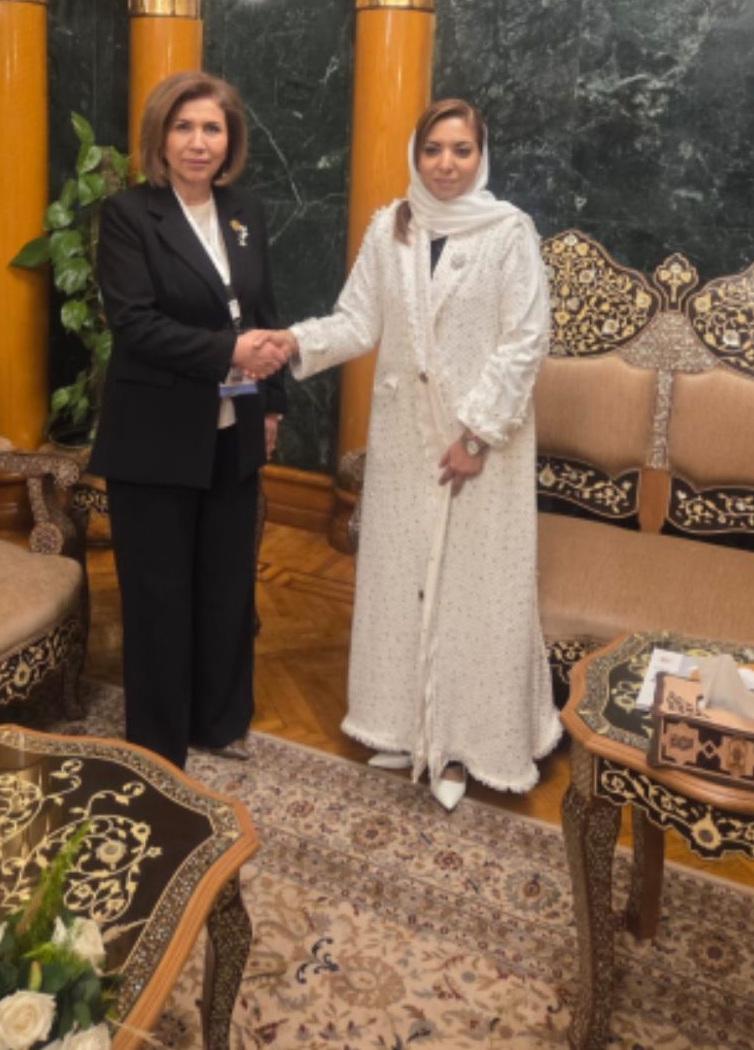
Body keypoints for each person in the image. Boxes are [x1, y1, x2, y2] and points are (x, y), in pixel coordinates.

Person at [275, 98, 560, 810]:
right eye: (433, 148)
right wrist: (293, 342)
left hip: (482, 448)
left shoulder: (508, 232)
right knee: (399, 580)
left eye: (461, 149)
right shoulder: (391, 227)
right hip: (405, 443)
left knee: (473, 591)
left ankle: (461, 742)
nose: (445, 164)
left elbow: (526, 340)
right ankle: (403, 727)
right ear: (416, 153)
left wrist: (475, 435)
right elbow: (357, 321)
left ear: (481, 156)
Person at [89, 71, 290, 768]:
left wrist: (272, 404)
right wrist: (229, 352)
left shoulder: (245, 211)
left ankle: (218, 721)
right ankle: (158, 744)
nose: (198, 142)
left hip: (234, 428)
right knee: (159, 593)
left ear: (230, 139)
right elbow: (135, 323)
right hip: (156, 434)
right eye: (183, 127)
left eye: (211, 128)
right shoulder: (128, 215)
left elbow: (263, 311)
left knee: (226, 583)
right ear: (160, 137)